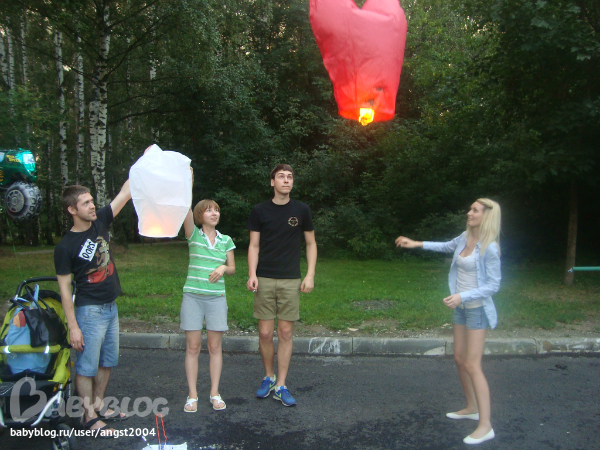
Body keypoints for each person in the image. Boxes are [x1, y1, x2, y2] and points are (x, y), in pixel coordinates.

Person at [395, 198, 501, 445]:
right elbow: (445, 246)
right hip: (461, 308)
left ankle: (486, 426)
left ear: (486, 216)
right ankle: (472, 408)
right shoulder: (465, 238)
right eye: (470, 209)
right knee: (459, 359)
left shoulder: (490, 248)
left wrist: (463, 296)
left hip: (476, 310)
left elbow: (493, 285)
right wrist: (416, 243)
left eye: (475, 210)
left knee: (473, 364)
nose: (469, 212)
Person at [54, 181, 132, 437]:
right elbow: (65, 289)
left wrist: (146, 163)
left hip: (111, 308)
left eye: (91, 200)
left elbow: (125, 193)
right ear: (72, 210)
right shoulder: (65, 247)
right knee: (87, 367)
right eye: (85, 203)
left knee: (107, 361)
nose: (92, 205)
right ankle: (88, 418)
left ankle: (98, 406)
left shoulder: (100, 221)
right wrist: (73, 327)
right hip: (89, 312)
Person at [247, 164, 317, 407]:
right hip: (265, 278)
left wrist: (310, 275)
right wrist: (252, 273)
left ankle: (281, 385)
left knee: (285, 332)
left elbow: (311, 244)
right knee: (265, 333)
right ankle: (269, 377)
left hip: (290, 279)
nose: (286, 180)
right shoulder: (259, 210)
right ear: (272, 182)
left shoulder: (302, 210)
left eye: (290, 177)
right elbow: (254, 245)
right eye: (281, 176)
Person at [180, 199, 235, 413]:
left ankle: (214, 393)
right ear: (199, 215)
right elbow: (185, 207)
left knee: (214, 347)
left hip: (216, 299)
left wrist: (223, 268)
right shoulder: (193, 234)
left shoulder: (226, 240)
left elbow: (232, 268)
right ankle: (192, 395)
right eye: (209, 210)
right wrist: (188, 184)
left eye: (217, 210)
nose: (214, 213)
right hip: (192, 298)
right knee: (193, 347)